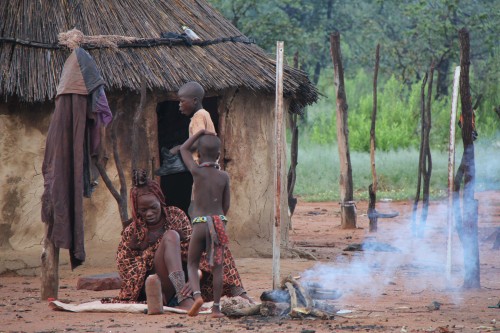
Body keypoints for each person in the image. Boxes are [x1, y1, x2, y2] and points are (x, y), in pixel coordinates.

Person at [102, 169, 251, 311]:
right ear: (136, 209)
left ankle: (239, 293)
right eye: (143, 210)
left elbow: (198, 251)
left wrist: (197, 276)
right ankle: (182, 299)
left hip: (186, 281)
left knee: (214, 242)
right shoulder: (132, 232)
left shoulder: (175, 216)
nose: (149, 214)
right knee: (171, 236)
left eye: (153, 207)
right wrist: (147, 257)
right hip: (157, 287)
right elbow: (127, 272)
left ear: (160, 200)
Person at [180, 130, 230, 318]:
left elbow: (184, 148)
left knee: (192, 264)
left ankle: (197, 296)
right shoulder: (224, 176)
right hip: (218, 223)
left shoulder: (196, 171)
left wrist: (199, 132)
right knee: (218, 266)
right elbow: (226, 206)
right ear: (218, 156)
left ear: (199, 155)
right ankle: (216, 308)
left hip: (199, 224)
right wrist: (218, 223)